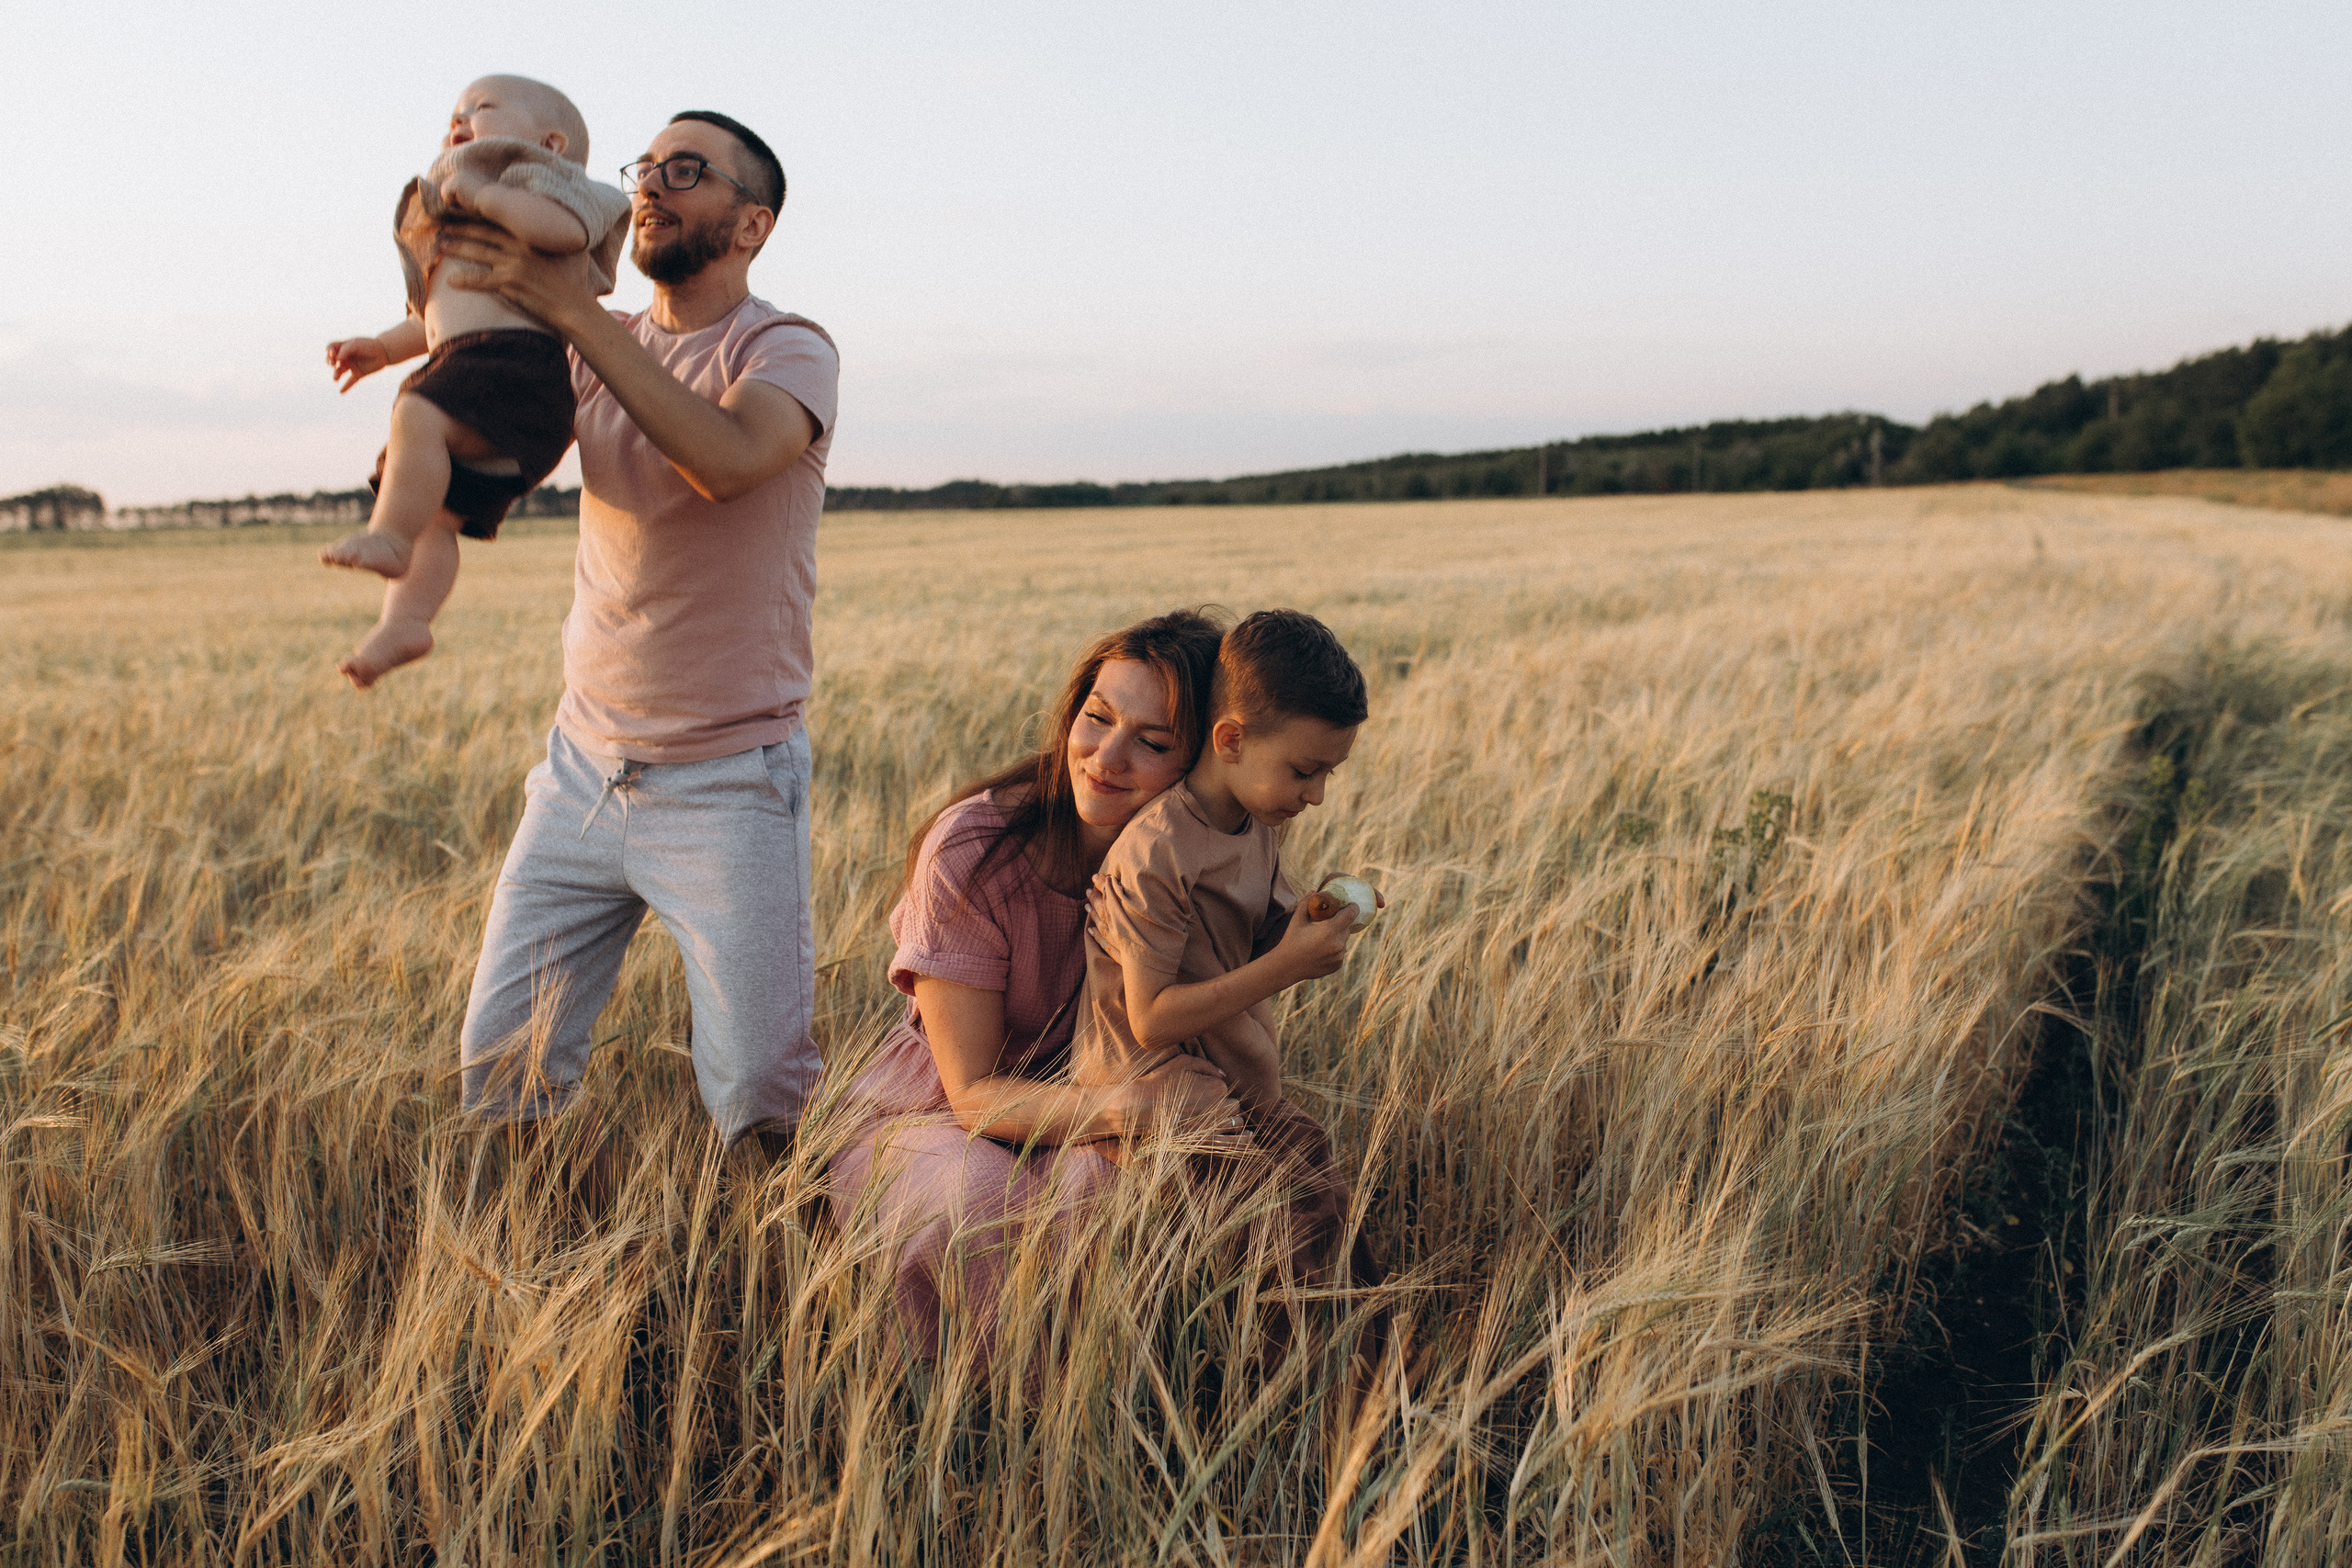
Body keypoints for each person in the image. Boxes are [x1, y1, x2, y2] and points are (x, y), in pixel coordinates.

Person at [433, 109, 836, 1149]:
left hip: (728, 783)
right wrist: (472, 177)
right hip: (580, 770)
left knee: (760, 1094)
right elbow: (494, 418)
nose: (650, 187)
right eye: (645, 168)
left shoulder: (785, 346)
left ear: (752, 225)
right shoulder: (596, 346)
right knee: (501, 1070)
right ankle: (526, 1281)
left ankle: (782, 1294)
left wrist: (576, 313)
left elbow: (729, 460)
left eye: (687, 171)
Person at [828, 611, 1243, 1358]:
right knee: (981, 1207)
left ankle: (1094, 1416)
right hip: (935, 1116)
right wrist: (1126, 1109)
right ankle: (981, 1429)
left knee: (1124, 1193)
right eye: (1097, 718)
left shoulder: (1194, 863)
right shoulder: (976, 850)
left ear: (1205, 763)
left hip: (1087, 1100)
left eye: (1152, 742)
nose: (1107, 757)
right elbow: (973, 1093)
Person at [1073, 608, 1375, 1278]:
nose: (1318, 794)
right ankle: (1325, 1382)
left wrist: (1319, 910)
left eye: (1328, 773)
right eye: (1305, 770)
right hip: (1166, 1102)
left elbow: (1255, 925)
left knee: (1323, 1199)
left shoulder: (1253, 817)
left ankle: (1385, 1372)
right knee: (1276, 1249)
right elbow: (1152, 1018)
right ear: (1231, 739)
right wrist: (1287, 965)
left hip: (1237, 1079)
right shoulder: (1157, 852)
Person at [320, 75, 631, 688]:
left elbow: (566, 230)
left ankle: (388, 534)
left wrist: (487, 194)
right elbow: (437, 313)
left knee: (417, 410)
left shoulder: (539, 180)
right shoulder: (467, 209)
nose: (458, 121)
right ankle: (406, 621)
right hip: (472, 368)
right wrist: (382, 348)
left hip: (519, 368)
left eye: (481, 109)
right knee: (440, 513)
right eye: (453, 114)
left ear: (551, 140)